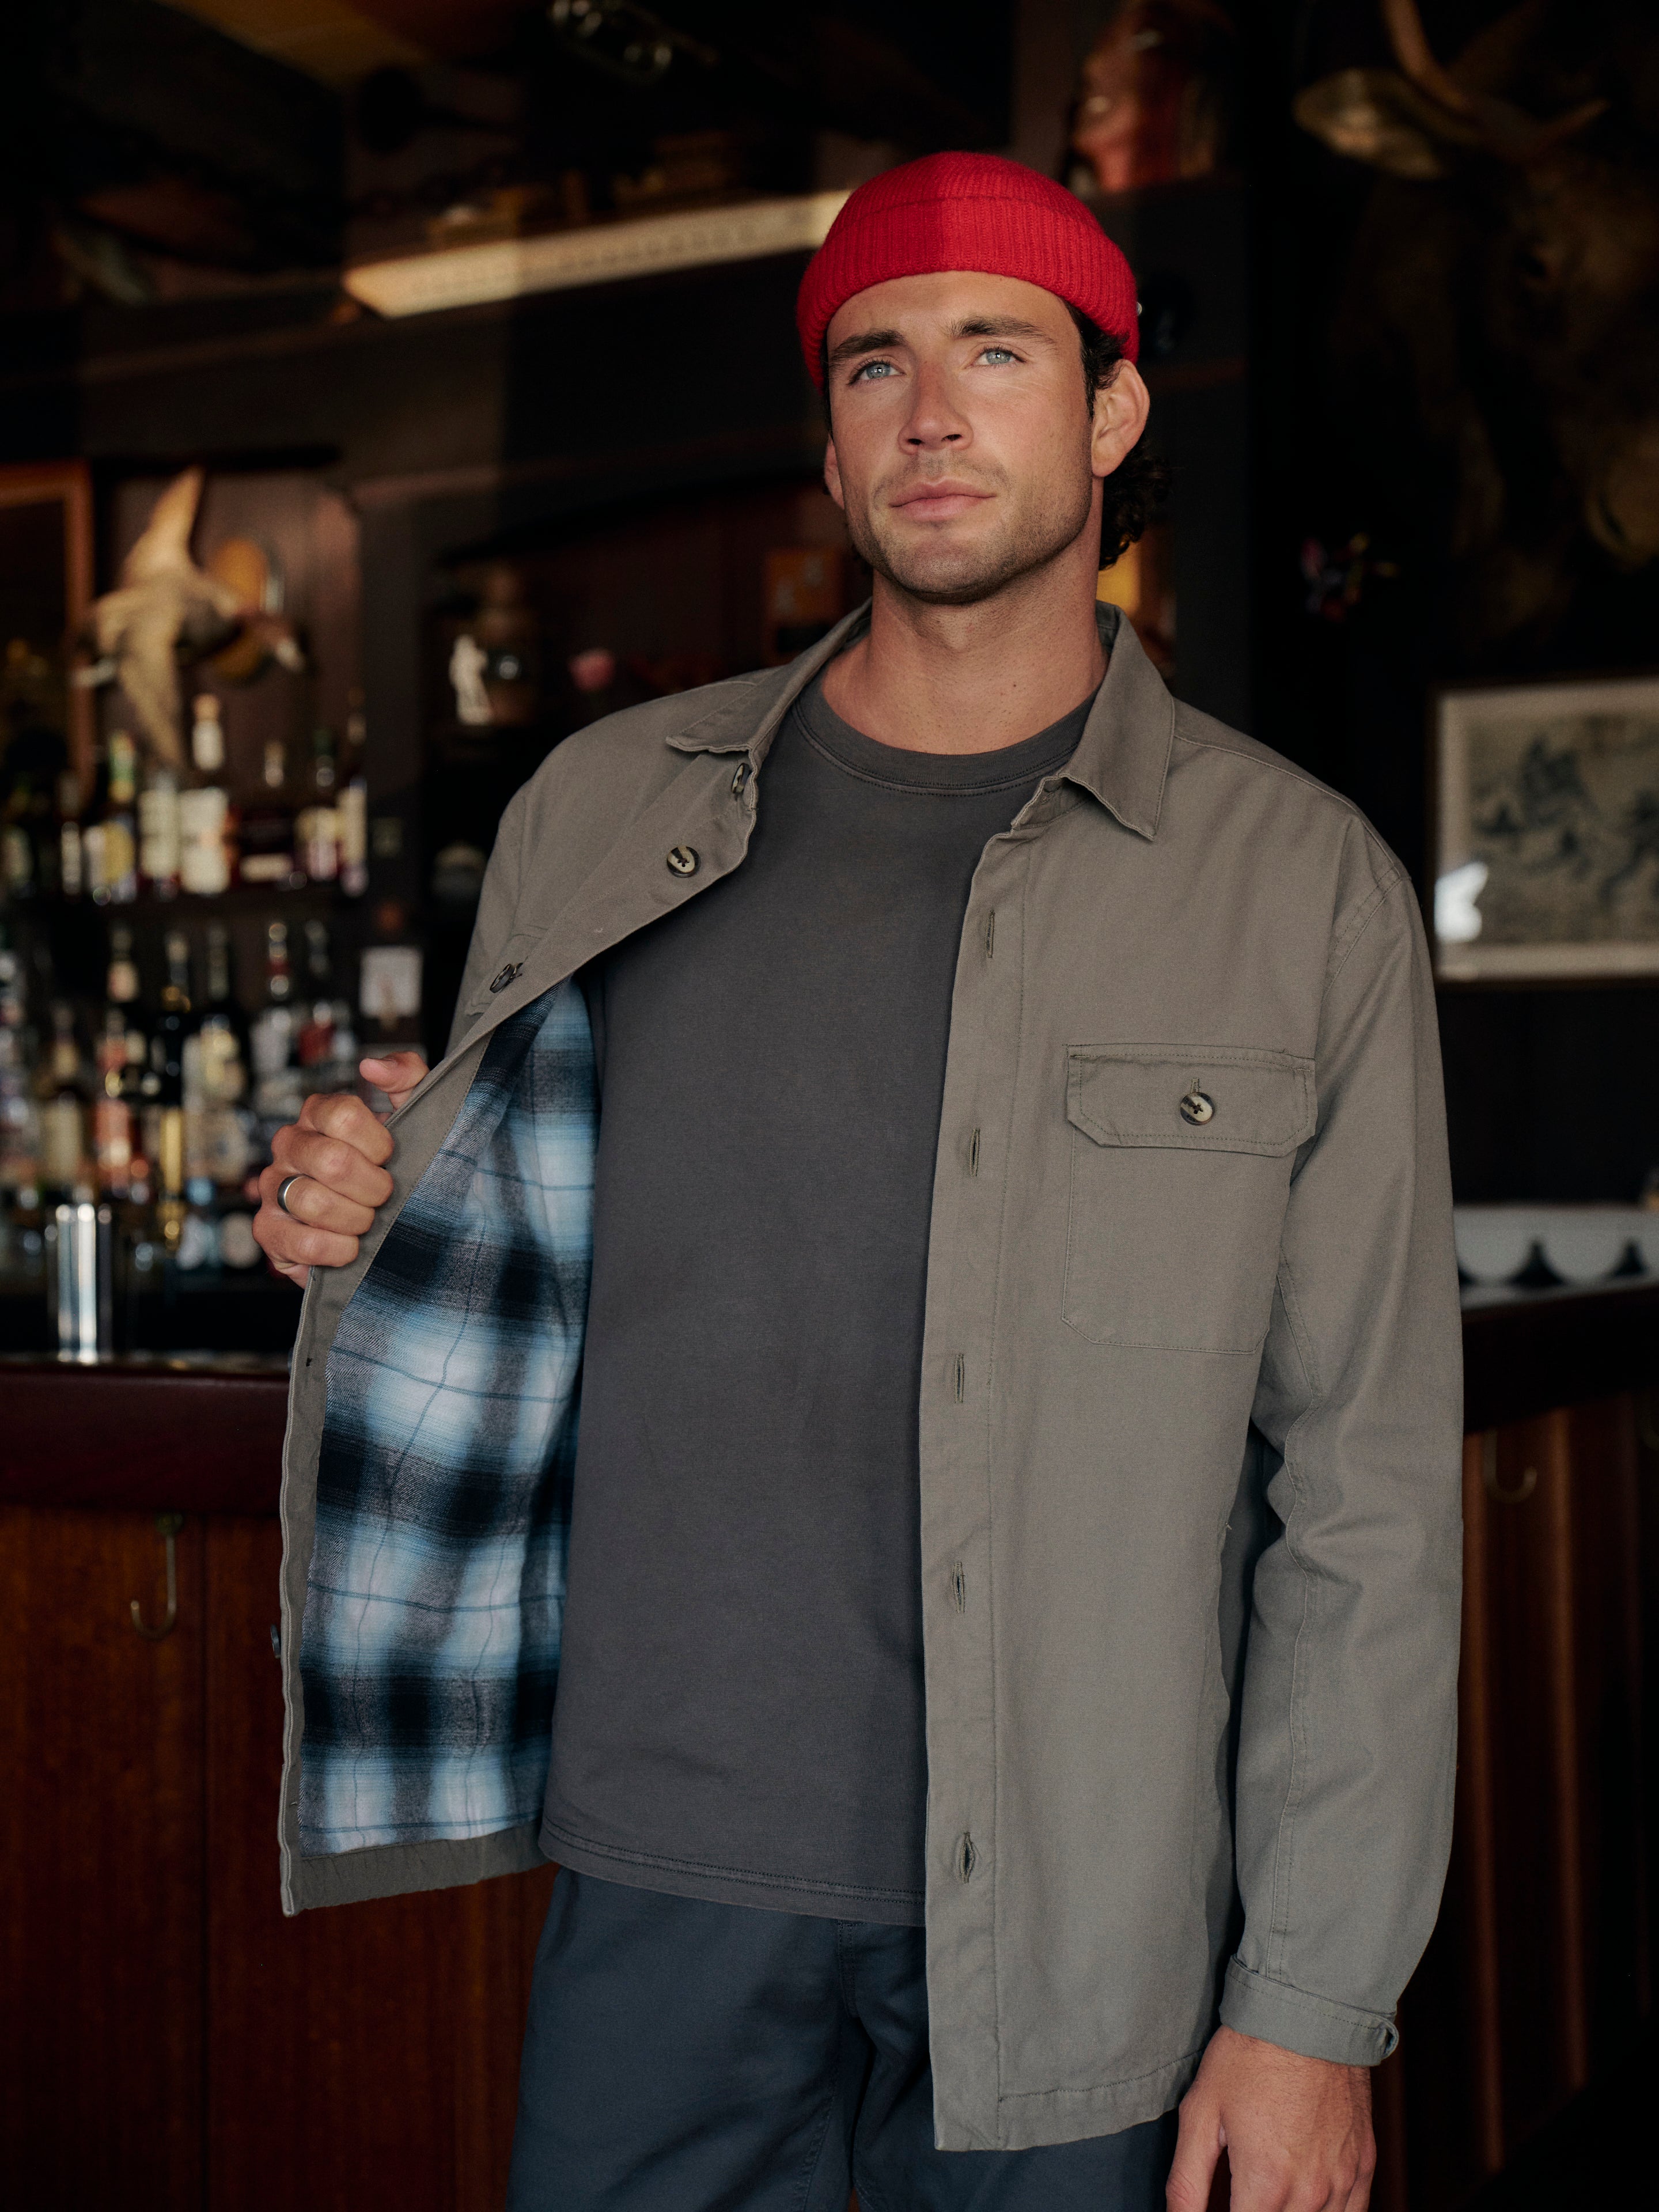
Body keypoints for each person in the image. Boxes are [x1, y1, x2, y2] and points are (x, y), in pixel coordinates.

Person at [254, 153, 1461, 2212]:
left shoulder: (1299, 889)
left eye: (998, 353)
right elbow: (487, 1229)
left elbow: (1366, 1503)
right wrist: (343, 1193)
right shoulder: (598, 811)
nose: (931, 411)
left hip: (1089, 1927)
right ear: (828, 436)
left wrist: (1315, 2010)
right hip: (662, 1891)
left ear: (1110, 414)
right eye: (875, 362)